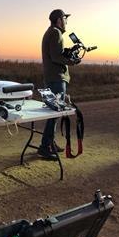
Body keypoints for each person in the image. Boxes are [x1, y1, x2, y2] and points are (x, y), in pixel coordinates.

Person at [38, 9, 81, 160]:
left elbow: (56, 53)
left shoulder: (51, 32)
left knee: (54, 113)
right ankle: (45, 146)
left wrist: (67, 52)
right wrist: (72, 61)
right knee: (55, 113)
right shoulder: (55, 33)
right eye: (65, 18)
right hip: (56, 78)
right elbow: (56, 56)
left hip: (52, 77)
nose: (66, 21)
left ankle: (50, 142)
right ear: (59, 20)